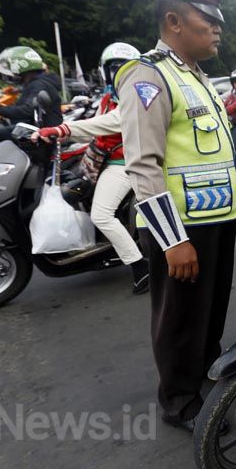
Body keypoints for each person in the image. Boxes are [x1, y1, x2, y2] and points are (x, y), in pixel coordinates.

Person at [114, 0, 236, 432]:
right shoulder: (147, 77)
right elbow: (143, 166)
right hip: (183, 229)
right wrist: (172, 240)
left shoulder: (199, 79)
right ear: (174, 20)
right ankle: (179, 401)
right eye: (208, 20)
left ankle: (204, 377)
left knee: (209, 313)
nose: (217, 29)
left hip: (217, 222)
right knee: (181, 319)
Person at [32, 42, 150, 295]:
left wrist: (65, 130)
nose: (121, 72)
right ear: (106, 71)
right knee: (72, 186)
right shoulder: (109, 96)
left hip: (126, 163)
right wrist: (63, 135)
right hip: (104, 158)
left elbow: (113, 122)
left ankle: (140, 267)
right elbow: (96, 125)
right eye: (115, 68)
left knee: (101, 215)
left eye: (126, 68)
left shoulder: (138, 96)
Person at [0, 46, 63, 145]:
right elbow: (25, 106)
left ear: (21, 66)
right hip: (36, 127)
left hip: (39, 131)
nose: (13, 73)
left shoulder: (39, 84)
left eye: (12, 69)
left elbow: (28, 109)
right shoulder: (38, 83)